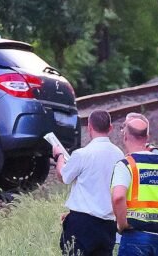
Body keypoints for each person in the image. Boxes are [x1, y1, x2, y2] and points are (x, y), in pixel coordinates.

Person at [53, 110, 124, 256]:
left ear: (89, 127)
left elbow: (63, 176)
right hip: (107, 225)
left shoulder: (82, 154)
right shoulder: (119, 155)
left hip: (82, 224)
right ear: (110, 128)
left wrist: (59, 156)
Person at [111, 116, 158, 256]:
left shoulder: (126, 165)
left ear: (125, 136)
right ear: (147, 137)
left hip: (135, 234)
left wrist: (122, 223)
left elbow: (118, 197)